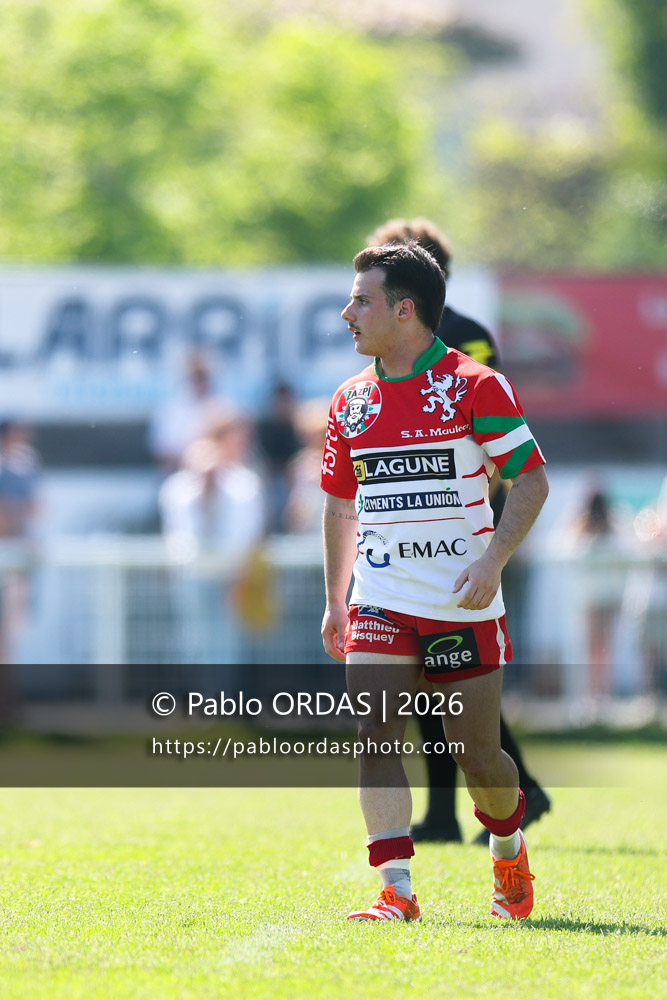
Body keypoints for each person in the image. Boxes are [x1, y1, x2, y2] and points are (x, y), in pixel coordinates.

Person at [320, 242, 549, 921]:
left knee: (477, 754)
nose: (347, 313)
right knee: (375, 733)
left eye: (361, 300)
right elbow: (338, 505)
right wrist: (336, 598)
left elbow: (530, 479)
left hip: (460, 600)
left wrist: (490, 562)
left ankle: (507, 849)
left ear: (405, 309)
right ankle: (395, 889)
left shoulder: (474, 386)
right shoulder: (350, 401)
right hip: (381, 600)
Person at [366, 218, 551, 843]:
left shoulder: (467, 345)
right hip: (402, 575)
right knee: (412, 707)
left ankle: (505, 802)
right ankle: (420, 848)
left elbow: (499, 441)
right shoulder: (367, 378)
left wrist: (482, 540)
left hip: (475, 541)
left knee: (463, 710)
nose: (358, 308)